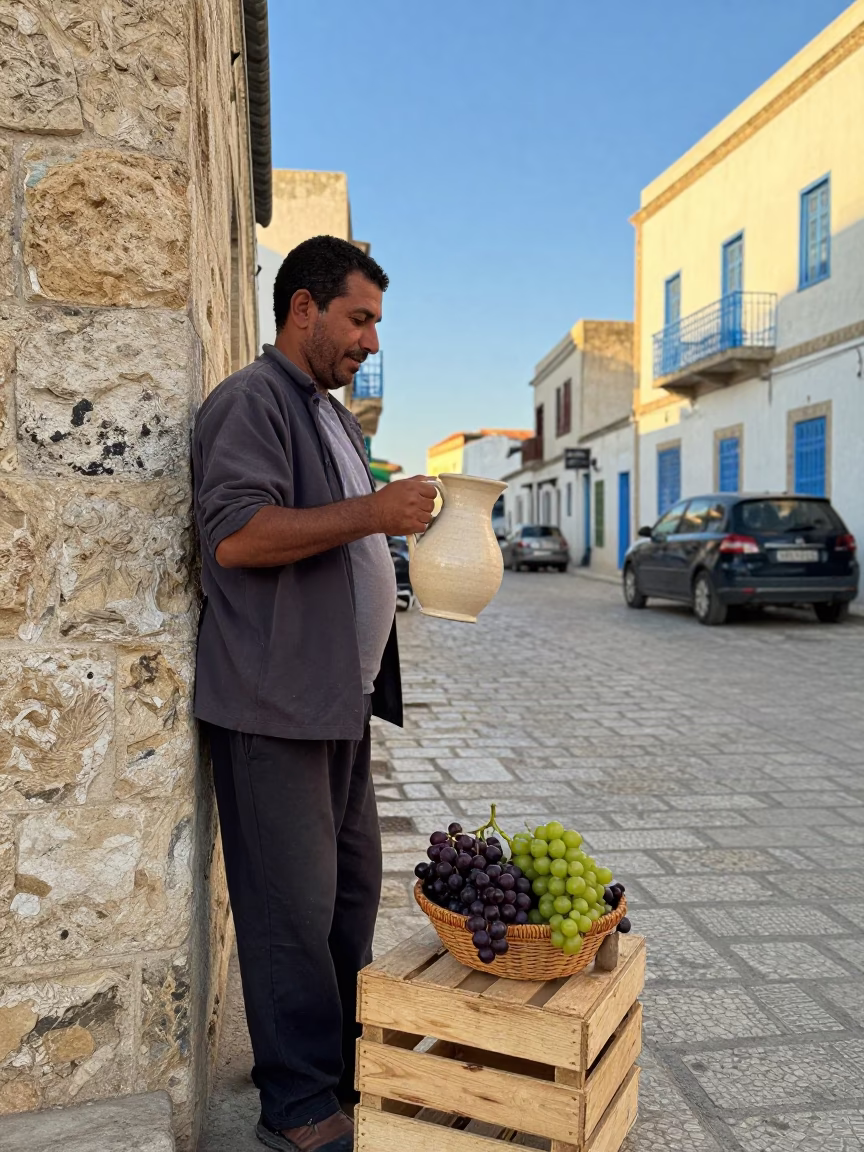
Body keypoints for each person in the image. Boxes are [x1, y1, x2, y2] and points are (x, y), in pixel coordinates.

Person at [191, 235, 436, 1152]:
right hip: (271, 709)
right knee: (288, 911)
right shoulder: (250, 403)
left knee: (347, 898)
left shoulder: (329, 414)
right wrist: (376, 511)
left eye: (376, 322)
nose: (371, 340)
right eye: (359, 318)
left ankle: (336, 1071)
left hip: (335, 706)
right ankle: (296, 1108)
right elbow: (240, 538)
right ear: (303, 307)